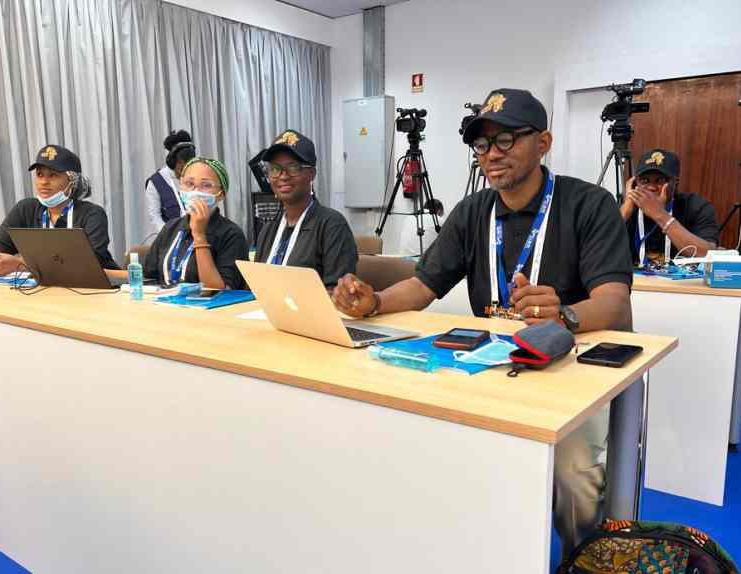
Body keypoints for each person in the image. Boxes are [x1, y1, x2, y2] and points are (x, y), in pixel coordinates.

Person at [332, 89, 634, 556]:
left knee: (572, 471)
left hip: (568, 369)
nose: (492, 153)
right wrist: (374, 303)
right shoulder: (472, 212)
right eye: (482, 144)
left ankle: (584, 558)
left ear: (543, 142)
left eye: (506, 139)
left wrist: (563, 316)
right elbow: (423, 285)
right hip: (494, 366)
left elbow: (614, 302)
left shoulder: (588, 205)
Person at [0, 144, 119, 276]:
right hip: (43, 289)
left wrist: (21, 265)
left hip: (98, 289)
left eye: (53, 175)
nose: (44, 182)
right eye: (40, 174)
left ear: (73, 181)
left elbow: (88, 267)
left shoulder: (92, 214)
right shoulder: (25, 209)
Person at [254, 129, 357, 288]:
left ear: (311, 174)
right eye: (275, 169)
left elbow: (338, 293)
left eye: (293, 167)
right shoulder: (268, 231)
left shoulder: (332, 225)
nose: (283, 176)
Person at [140, 157, 248, 289]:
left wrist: (199, 235)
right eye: (189, 183)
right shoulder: (171, 228)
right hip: (165, 300)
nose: (195, 191)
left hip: (209, 302)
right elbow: (149, 276)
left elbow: (219, 290)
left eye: (206, 185)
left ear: (221, 194)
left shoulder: (232, 234)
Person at [621, 148, 718, 264]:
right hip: (634, 275)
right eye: (645, 180)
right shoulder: (628, 209)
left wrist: (660, 215)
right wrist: (626, 210)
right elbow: (601, 246)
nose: (651, 187)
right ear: (634, 183)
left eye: (660, 180)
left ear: (675, 183)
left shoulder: (696, 206)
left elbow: (708, 254)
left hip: (682, 276)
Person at [144, 129, 196, 237]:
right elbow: (154, 217)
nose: (185, 170)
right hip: (170, 239)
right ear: (172, 162)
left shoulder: (196, 178)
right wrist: (169, 236)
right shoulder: (155, 183)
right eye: (181, 165)